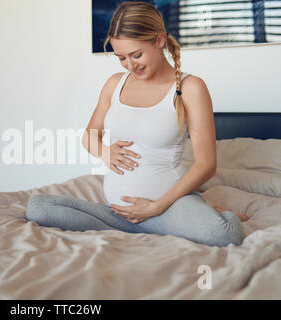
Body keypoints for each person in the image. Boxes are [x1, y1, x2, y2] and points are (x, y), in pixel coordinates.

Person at [25, 1, 248, 247]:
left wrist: (155, 207)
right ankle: (143, 223)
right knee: (39, 208)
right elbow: (89, 134)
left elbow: (206, 165)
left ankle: (177, 217)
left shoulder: (189, 88)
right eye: (121, 58)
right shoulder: (114, 84)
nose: (130, 65)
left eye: (136, 55)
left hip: (167, 204)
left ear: (159, 40)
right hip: (117, 210)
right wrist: (104, 151)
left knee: (224, 234)